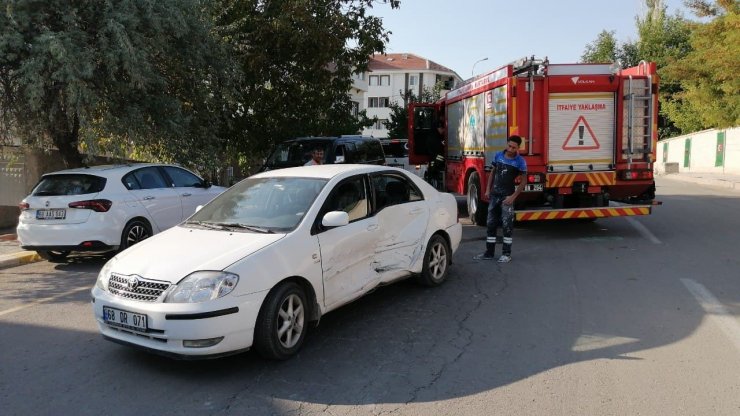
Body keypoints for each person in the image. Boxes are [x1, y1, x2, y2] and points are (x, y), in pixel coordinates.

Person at [475, 135, 527, 263]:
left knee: (507, 226)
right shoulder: (498, 156)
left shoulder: (520, 162)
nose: (510, 149)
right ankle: (489, 252)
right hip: (494, 195)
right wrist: (488, 189)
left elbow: (523, 182)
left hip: (507, 198)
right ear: (507, 144)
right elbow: (492, 173)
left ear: (518, 148)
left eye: (514, 147)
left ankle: (506, 253)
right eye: (509, 146)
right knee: (491, 224)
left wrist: (513, 197)